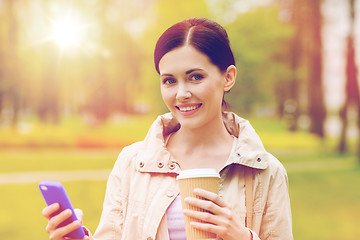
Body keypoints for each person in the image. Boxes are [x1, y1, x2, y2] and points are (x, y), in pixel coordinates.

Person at [42, 17, 293, 240]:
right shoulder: (132, 163)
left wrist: (242, 237)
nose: (182, 94)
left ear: (228, 77)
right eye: (169, 81)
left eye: (196, 77)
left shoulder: (266, 173)